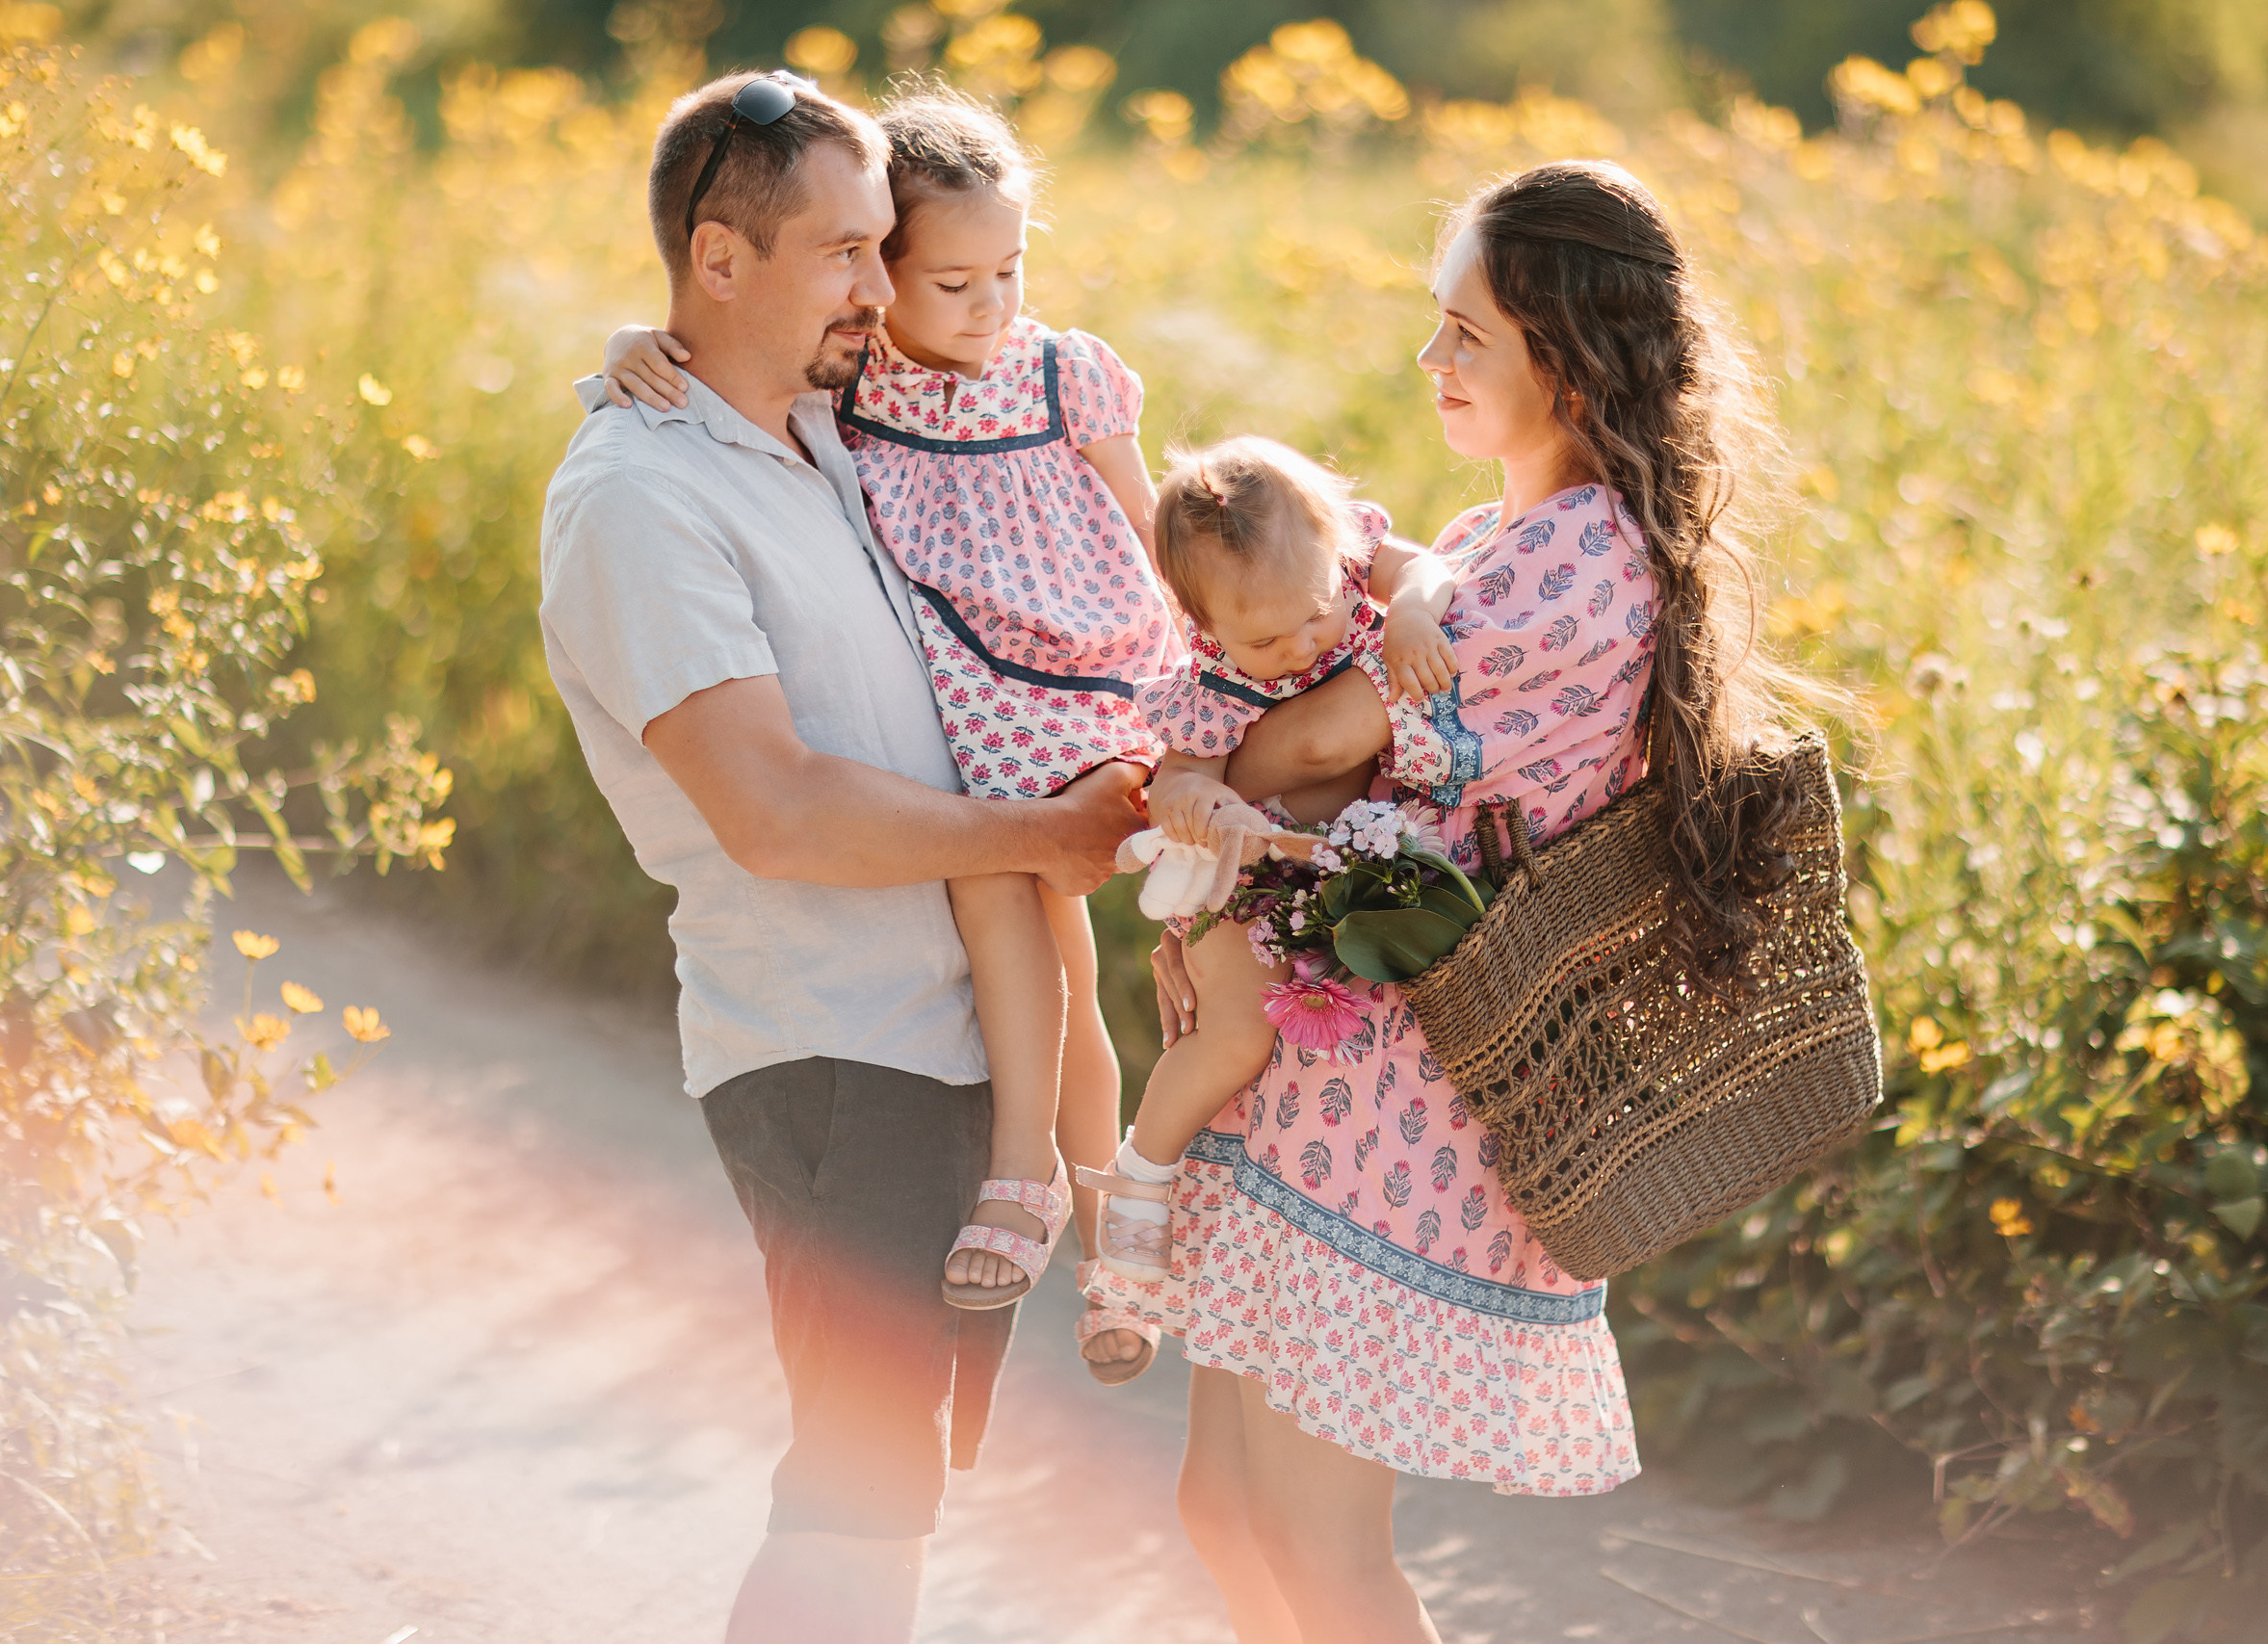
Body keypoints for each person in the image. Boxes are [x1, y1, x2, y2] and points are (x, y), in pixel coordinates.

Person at [1090, 160, 1812, 1644]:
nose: (1433, 362)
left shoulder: (1580, 559)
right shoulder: (1487, 540)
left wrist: (1216, 769)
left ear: (1567, 350)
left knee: (1316, 1545)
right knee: (1224, 1515)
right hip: (1309, 1071)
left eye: (1467, 332)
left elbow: (1302, 740)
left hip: (1390, 1113)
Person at [536, 72, 1141, 1644]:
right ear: (717, 262)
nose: (879, 290)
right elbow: (776, 810)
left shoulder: (823, 426)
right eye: (839, 254)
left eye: (887, 250)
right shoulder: (639, 491)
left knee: (891, 1494)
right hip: (833, 1051)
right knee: (858, 1493)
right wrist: (1047, 833)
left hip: (950, 1045)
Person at [1079, 435, 1464, 1283]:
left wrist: (1409, 612)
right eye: (1262, 640)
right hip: (1243, 883)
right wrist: (1195, 799)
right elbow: (1177, 776)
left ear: (1340, 553)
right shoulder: (1217, 685)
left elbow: (1427, 568)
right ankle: (1142, 1172)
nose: (1298, 648)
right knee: (1236, 1037)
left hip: (1333, 875)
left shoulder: (1357, 566)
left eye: (1315, 615)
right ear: (1204, 629)